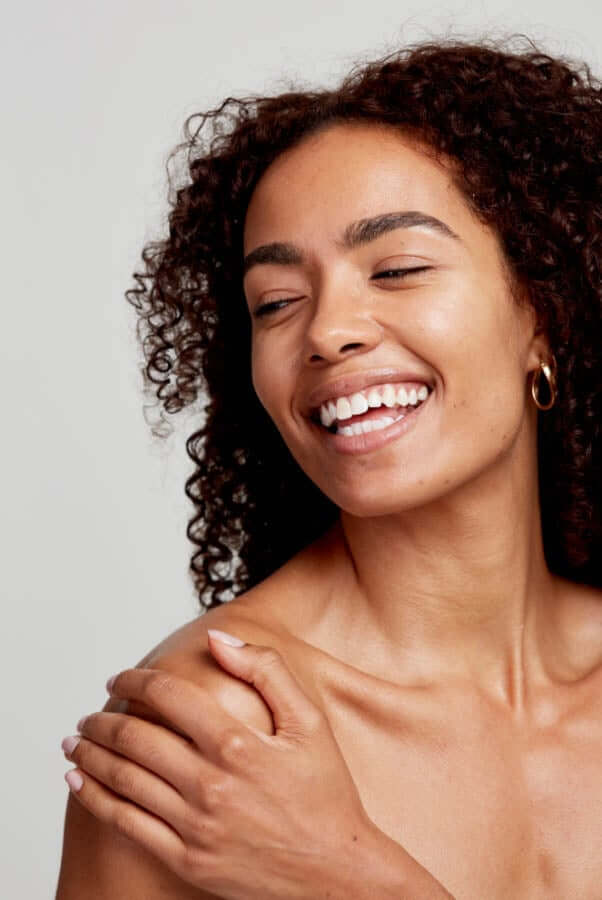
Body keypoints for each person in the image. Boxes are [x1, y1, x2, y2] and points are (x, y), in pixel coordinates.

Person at [56, 35, 602, 899]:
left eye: (398, 269)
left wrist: (350, 874)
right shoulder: (212, 740)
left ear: (544, 312)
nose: (327, 332)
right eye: (276, 303)